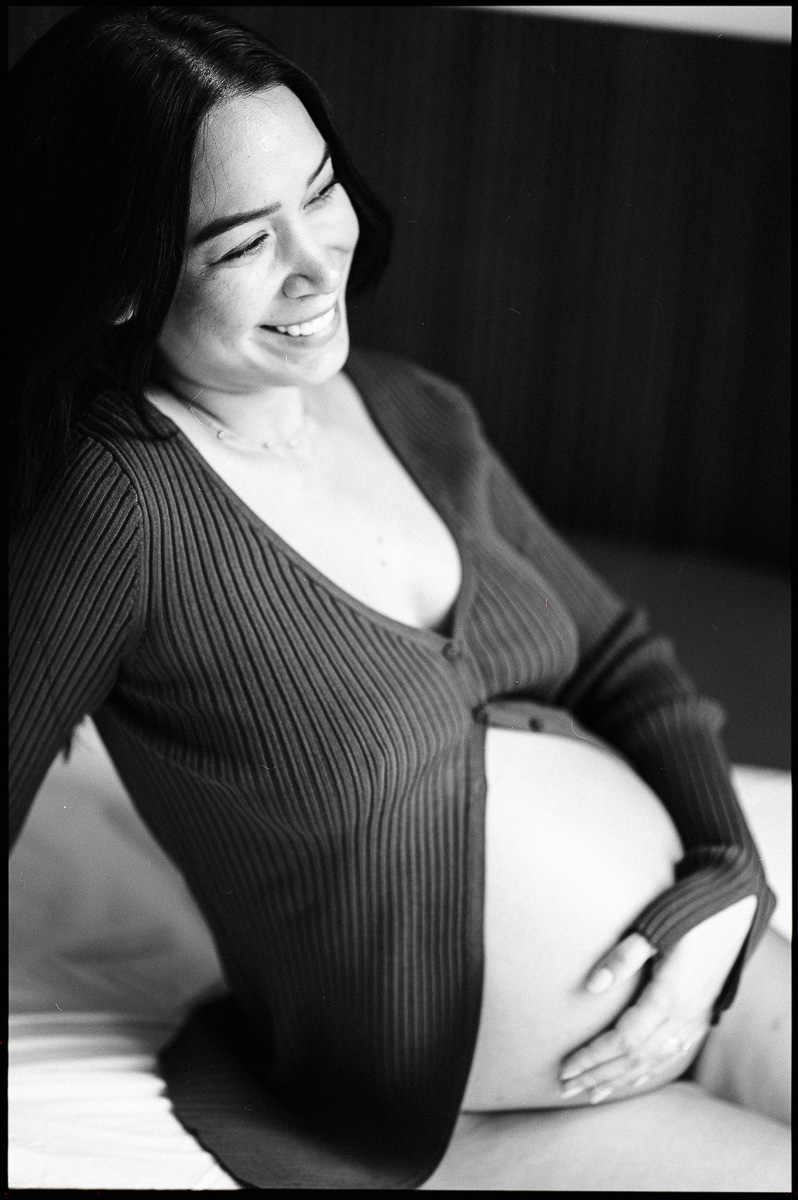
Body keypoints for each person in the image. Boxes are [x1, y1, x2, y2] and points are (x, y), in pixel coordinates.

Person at [9, 6, 790, 1191]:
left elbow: (623, 659)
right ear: (120, 279)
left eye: (318, 191)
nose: (317, 261)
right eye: (237, 244)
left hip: (709, 952)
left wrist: (730, 873)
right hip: (472, 1108)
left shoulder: (416, 408)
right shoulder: (120, 506)